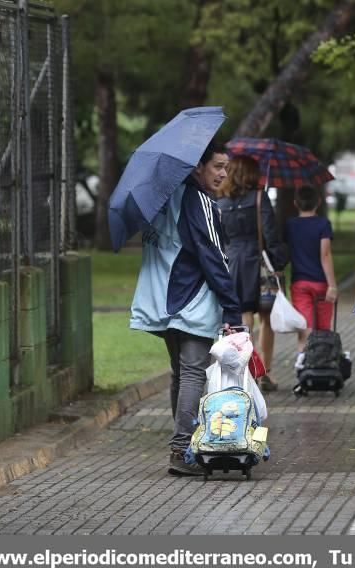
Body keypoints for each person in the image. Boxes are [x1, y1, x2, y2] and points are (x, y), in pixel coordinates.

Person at [129, 140, 242, 477]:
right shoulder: (200, 201)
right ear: (198, 167)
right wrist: (233, 310)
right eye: (217, 166)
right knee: (193, 371)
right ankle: (182, 450)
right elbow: (215, 258)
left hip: (163, 300)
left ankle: (185, 443)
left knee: (181, 373)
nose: (223, 173)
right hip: (190, 299)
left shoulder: (165, 199)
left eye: (226, 167)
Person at [216, 155, 287, 392]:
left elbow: (219, 236)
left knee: (244, 316)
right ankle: (265, 370)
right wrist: (279, 260)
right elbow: (269, 233)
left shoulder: (220, 202)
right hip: (258, 263)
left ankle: (248, 371)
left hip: (232, 263)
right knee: (266, 318)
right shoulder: (259, 198)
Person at [285, 185, 337, 368]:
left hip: (299, 282)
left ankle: (302, 360)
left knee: (305, 325)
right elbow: (325, 255)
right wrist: (332, 285)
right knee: (323, 327)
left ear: (295, 203)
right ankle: (322, 362)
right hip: (321, 283)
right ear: (319, 202)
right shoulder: (323, 224)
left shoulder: (290, 225)